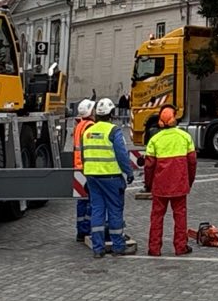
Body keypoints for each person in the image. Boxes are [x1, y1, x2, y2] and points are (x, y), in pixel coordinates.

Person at [81, 97, 134, 257]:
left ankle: (98, 248)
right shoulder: (113, 130)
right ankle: (118, 246)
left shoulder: (88, 131)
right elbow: (122, 154)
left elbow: (84, 155)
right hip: (110, 176)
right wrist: (129, 172)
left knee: (97, 210)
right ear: (112, 113)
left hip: (92, 176)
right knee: (114, 210)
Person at [144, 105, 197, 256]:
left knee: (156, 216)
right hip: (180, 184)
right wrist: (189, 182)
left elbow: (149, 166)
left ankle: (154, 248)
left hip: (160, 186)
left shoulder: (154, 140)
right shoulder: (185, 137)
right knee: (180, 216)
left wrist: (149, 185)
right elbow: (192, 163)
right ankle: (180, 247)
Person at [71, 98, 95, 245]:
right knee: (92, 201)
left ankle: (80, 230)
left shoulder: (79, 125)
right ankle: (88, 229)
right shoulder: (90, 126)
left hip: (78, 167)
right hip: (87, 168)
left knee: (81, 201)